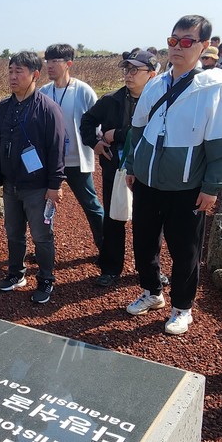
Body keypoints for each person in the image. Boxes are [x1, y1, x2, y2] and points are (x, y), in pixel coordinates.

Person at [122, 15, 222, 334]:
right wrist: (133, 166)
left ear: (203, 46)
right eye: (173, 41)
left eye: (187, 42)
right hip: (148, 182)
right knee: (144, 242)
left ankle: (182, 308)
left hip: (187, 186)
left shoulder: (214, 89)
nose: (177, 47)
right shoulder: (156, 84)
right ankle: (151, 292)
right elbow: (138, 128)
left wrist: (212, 186)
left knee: (185, 250)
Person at [0, 51, 65, 304]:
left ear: (35, 75)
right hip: (11, 184)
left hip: (38, 187)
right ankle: (16, 273)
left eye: (19, 71)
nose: (13, 76)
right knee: (13, 232)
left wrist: (55, 185)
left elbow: (56, 149)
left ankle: (45, 279)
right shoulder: (2, 107)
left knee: (42, 235)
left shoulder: (48, 109)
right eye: (10, 70)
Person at [80, 48, 157, 287]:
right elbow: (87, 121)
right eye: (127, 69)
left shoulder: (159, 102)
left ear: (152, 74)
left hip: (148, 169)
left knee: (150, 222)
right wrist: (95, 143)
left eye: (135, 70)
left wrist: (118, 133)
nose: (129, 74)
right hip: (116, 166)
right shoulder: (111, 100)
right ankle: (111, 268)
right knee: (114, 218)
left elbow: (148, 130)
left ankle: (150, 271)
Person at [40, 43, 103, 252]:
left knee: (91, 205)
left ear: (68, 64)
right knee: (46, 206)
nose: (49, 65)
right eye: (47, 61)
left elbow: (97, 122)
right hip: (50, 161)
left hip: (76, 159)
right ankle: (44, 247)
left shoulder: (83, 91)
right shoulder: (43, 92)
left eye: (54, 61)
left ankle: (105, 247)